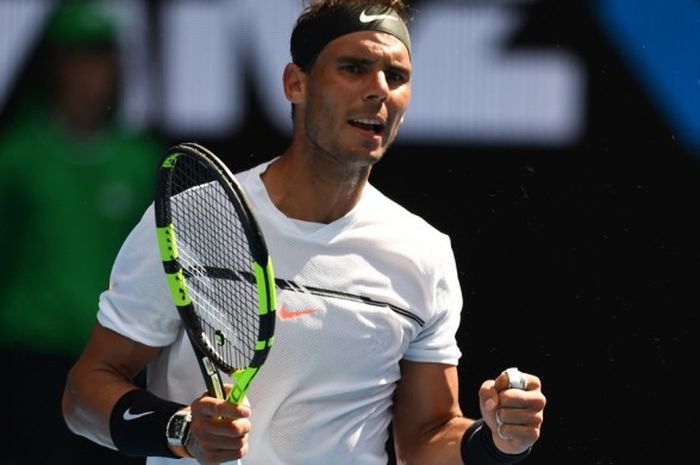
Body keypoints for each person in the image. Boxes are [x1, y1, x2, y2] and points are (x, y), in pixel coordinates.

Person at [62, 1, 546, 464]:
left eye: (396, 76)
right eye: (354, 68)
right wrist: (180, 430)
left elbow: (425, 437)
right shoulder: (193, 220)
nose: (379, 90)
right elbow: (86, 392)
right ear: (296, 83)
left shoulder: (424, 254)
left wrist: (495, 439)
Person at [0, 1, 161, 463]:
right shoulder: (17, 158)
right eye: (81, 55)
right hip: (31, 364)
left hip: (115, 364)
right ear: (57, 66)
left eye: (105, 55)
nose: (96, 69)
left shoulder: (139, 160)